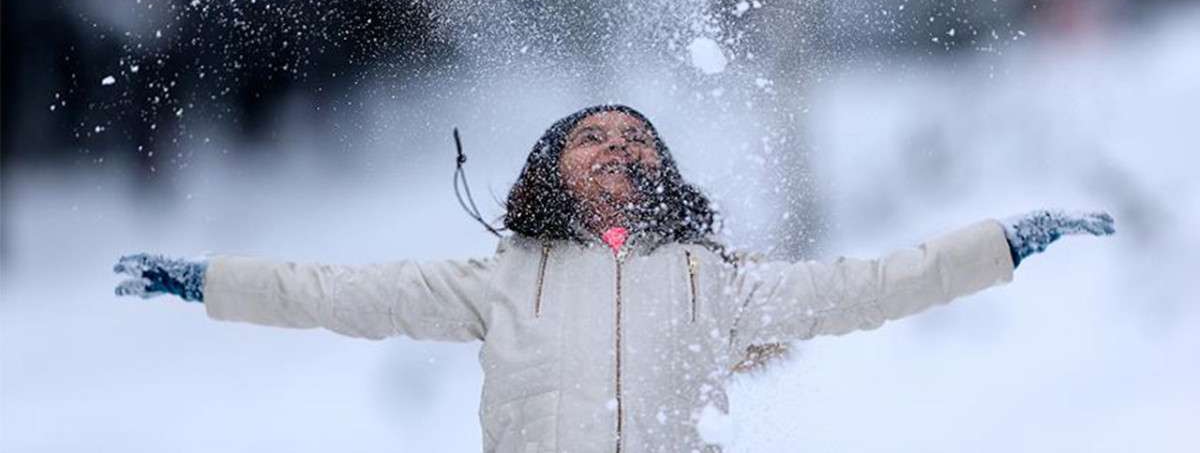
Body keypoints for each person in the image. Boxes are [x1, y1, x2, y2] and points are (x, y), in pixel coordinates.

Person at [113, 103, 1115, 453]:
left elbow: (872, 283)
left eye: (637, 139)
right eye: (590, 136)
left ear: (662, 172)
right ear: (550, 167)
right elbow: (333, 290)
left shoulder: (715, 283)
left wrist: (1004, 244)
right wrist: (206, 280)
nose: (615, 149)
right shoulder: (499, 279)